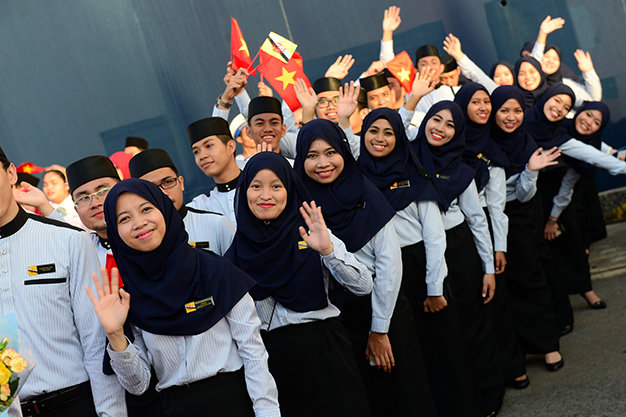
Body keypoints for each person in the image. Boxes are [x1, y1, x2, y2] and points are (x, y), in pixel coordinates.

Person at [88, 178, 280, 417]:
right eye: (124, 219)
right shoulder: (127, 297)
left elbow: (253, 354)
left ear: (164, 210)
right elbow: (138, 385)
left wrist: (267, 412)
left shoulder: (215, 271)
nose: (139, 223)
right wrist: (116, 334)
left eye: (146, 209)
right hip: (174, 407)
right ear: (115, 233)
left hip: (234, 401)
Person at [294, 119, 437, 417]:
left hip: (383, 307)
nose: (323, 163)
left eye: (330, 152)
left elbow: (389, 265)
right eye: (311, 155)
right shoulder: (300, 203)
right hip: (338, 318)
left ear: (344, 152)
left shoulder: (366, 192)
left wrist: (380, 330)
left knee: (403, 390)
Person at [225, 152, 373, 417]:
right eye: (256, 186)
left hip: (324, 351)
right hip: (271, 363)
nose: (266, 195)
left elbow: (363, 286)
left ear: (290, 189)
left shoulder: (312, 232)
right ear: (244, 192)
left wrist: (328, 250)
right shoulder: (235, 254)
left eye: (276, 186)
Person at [356, 108, 482, 417]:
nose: (380, 139)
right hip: (384, 275)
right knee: (411, 355)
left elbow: (435, 236)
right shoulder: (356, 178)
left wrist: (434, 288)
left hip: (420, 268)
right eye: (373, 131)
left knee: (443, 349)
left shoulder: (414, 174)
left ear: (399, 138)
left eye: (389, 132)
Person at [0, 146, 127, 416]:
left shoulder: (68, 240)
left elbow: (95, 343)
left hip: (72, 404)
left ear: (11, 173)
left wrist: (111, 412)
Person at [412, 101, 504, 416]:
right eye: (436, 119)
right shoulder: (408, 157)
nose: (440, 128)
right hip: (420, 251)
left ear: (458, 133)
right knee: (441, 332)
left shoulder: (462, 170)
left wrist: (488, 269)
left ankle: (489, 394)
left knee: (473, 324)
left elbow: (477, 220)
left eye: (450, 125)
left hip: (458, 248)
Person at [453, 83, 530, 389]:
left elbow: (497, 207)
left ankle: (512, 366)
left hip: (484, 225)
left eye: (487, 102)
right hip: (454, 230)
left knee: (496, 301)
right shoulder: (448, 142)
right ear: (462, 106)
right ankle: (482, 375)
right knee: (468, 306)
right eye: (476, 102)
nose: (483, 107)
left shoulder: (492, 149)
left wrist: (500, 247)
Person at [489, 85, 565, 372]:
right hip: (487, 218)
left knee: (530, 279)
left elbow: (524, 195)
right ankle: (517, 349)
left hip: (521, 217)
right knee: (503, 287)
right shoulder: (482, 142)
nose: (511, 117)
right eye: (504, 110)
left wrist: (531, 171)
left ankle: (548, 344)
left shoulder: (528, 144)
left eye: (518, 111)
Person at [129, 148, 235, 255]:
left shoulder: (216, 224)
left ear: (181, 183)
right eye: (152, 189)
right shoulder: (139, 241)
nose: (163, 193)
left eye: (168, 182)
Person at [66, 156, 121, 267]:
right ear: (76, 210)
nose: (95, 203)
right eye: (84, 198)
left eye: (102, 191)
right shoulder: (82, 256)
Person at [186, 117, 242, 224]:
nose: (202, 156)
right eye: (196, 152)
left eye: (209, 146)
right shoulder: (199, 208)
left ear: (230, 147)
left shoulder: (260, 191)